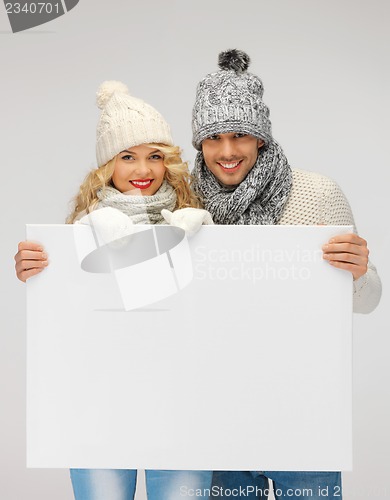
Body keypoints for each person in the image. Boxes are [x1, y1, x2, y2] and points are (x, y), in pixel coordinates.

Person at [190, 49, 382, 499]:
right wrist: (48, 267)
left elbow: (369, 299)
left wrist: (355, 272)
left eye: (241, 135)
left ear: (262, 138)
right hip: (218, 417)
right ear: (199, 142)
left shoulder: (316, 193)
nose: (227, 151)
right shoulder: (183, 203)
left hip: (304, 413)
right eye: (214, 137)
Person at [15, 80, 214, 500]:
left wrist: (200, 240)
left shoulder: (196, 224)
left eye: (154, 156)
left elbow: (214, 306)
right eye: (127, 157)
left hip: (181, 405)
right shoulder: (78, 233)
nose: (142, 171)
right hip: (99, 407)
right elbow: (67, 317)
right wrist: (39, 272)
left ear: (169, 163)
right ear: (107, 165)